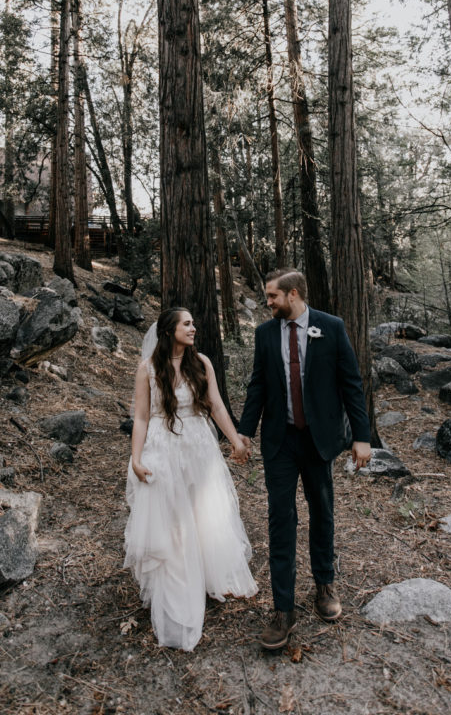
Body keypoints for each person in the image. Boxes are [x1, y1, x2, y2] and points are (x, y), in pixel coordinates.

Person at [237, 268, 371, 649]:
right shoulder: (265, 334)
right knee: (281, 519)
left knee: (322, 513)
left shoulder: (331, 326)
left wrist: (362, 436)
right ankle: (283, 609)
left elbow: (351, 383)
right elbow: (258, 385)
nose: (268, 302)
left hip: (319, 441)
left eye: (272, 296)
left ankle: (325, 585)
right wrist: (245, 431)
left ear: (292, 295)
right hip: (280, 441)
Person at [124, 307, 257, 651]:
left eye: (194, 323)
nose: (194, 328)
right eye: (187, 324)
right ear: (169, 331)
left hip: (199, 447)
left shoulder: (203, 364)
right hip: (163, 449)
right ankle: (177, 592)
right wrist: (135, 459)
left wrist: (235, 441)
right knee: (174, 521)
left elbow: (217, 406)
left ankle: (208, 576)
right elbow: (140, 418)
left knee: (204, 514)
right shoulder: (148, 369)